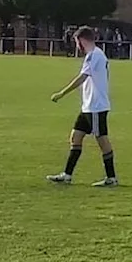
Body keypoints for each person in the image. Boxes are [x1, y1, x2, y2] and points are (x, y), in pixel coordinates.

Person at [45, 27, 119, 187]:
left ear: (82, 40)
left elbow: (82, 78)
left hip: (96, 106)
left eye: (77, 42)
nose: (77, 46)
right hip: (88, 106)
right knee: (75, 137)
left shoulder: (94, 55)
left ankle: (111, 178)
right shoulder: (94, 55)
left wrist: (61, 93)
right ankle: (67, 175)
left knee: (102, 140)